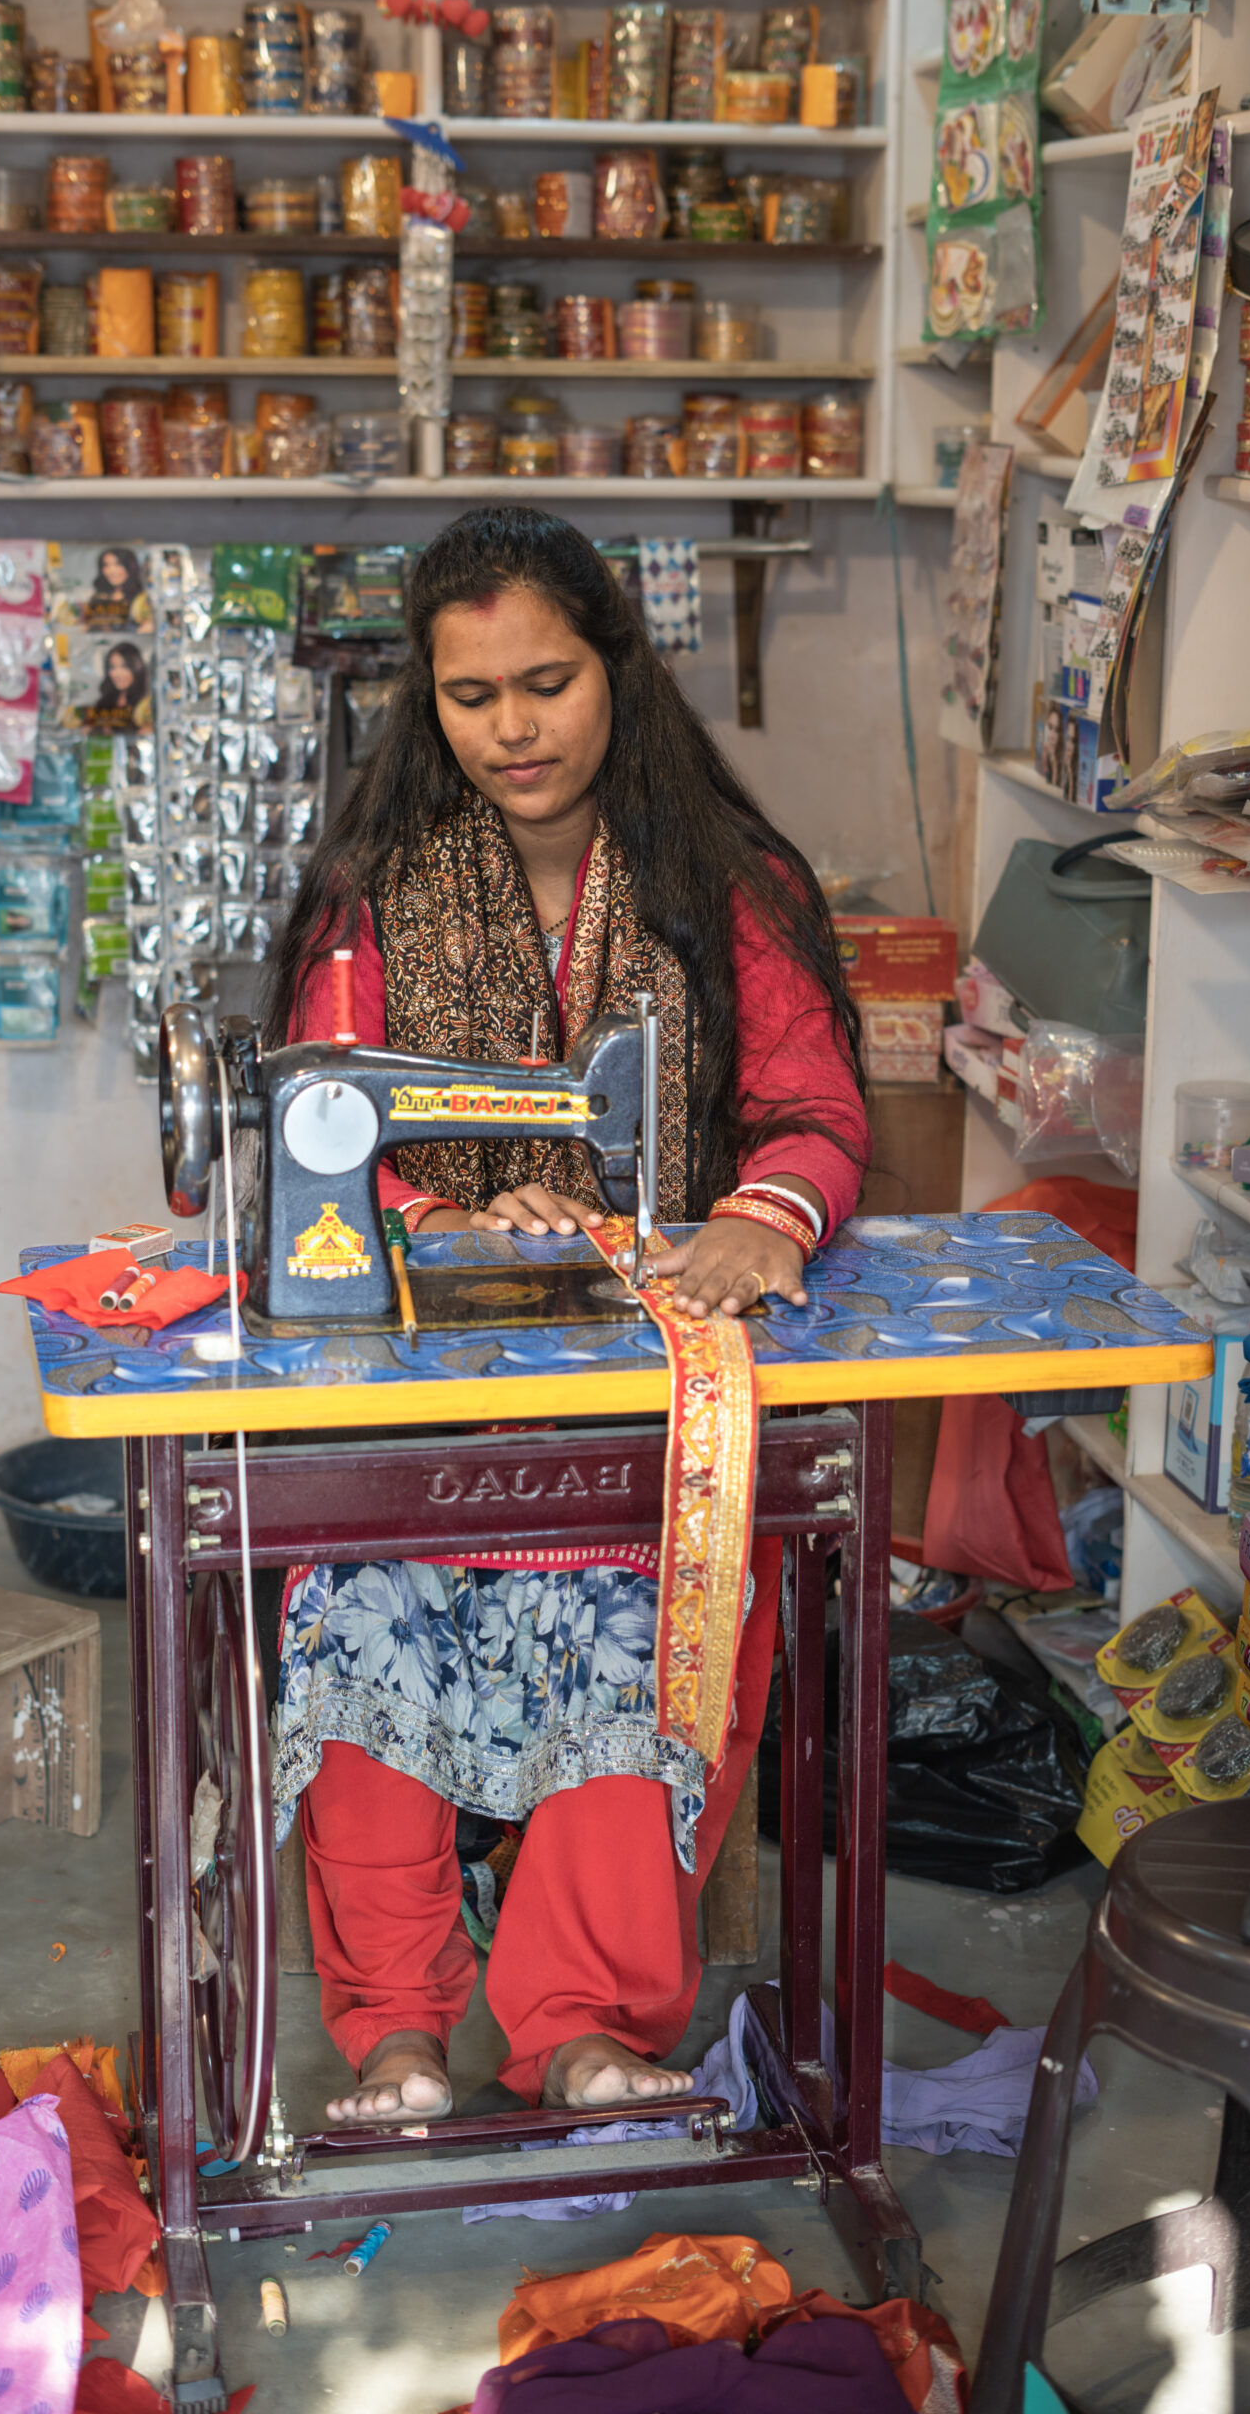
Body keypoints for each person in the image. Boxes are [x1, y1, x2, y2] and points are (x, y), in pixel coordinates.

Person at [261, 504, 868, 2129]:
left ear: (616, 669)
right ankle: (395, 2031)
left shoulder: (718, 887)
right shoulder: (371, 897)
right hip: (416, 1393)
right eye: (473, 697)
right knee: (365, 1611)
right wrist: (441, 1220)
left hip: (638, 1396)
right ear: (429, 703)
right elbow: (324, 1129)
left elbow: (810, 1110)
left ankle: (584, 2024)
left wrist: (753, 1217)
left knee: (649, 1628)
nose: (513, 729)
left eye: (546, 683)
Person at [86, 639, 149, 732]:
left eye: (124, 666)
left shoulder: (146, 705)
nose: (117, 674)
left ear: (137, 668)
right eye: (112, 667)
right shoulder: (105, 701)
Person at [85, 544, 149, 625]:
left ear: (130, 567)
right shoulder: (98, 597)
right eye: (106, 565)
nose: (111, 571)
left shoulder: (141, 599)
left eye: (118, 564)